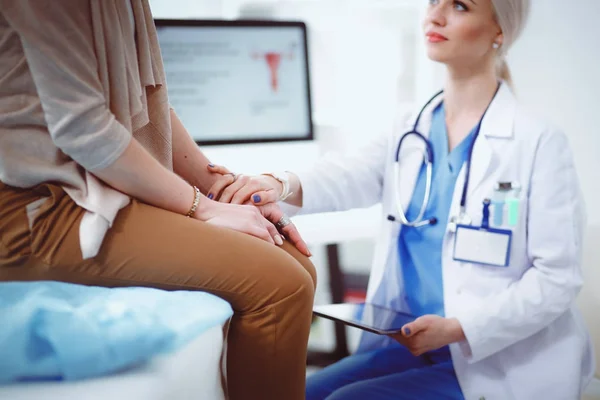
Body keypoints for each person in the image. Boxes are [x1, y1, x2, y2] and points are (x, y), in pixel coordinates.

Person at [205, 0, 595, 398]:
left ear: (500, 32)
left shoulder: (538, 142)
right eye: (433, 2)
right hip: (409, 343)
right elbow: (348, 175)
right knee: (298, 392)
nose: (435, 15)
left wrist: (459, 328)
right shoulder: (411, 126)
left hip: (492, 358)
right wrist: (277, 183)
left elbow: (556, 280)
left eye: (460, 6)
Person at [0, 1, 315, 399]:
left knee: (293, 257)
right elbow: (85, 130)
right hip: (37, 209)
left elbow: (146, 100)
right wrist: (206, 208)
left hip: (93, 186)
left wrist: (227, 189)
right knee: (282, 286)